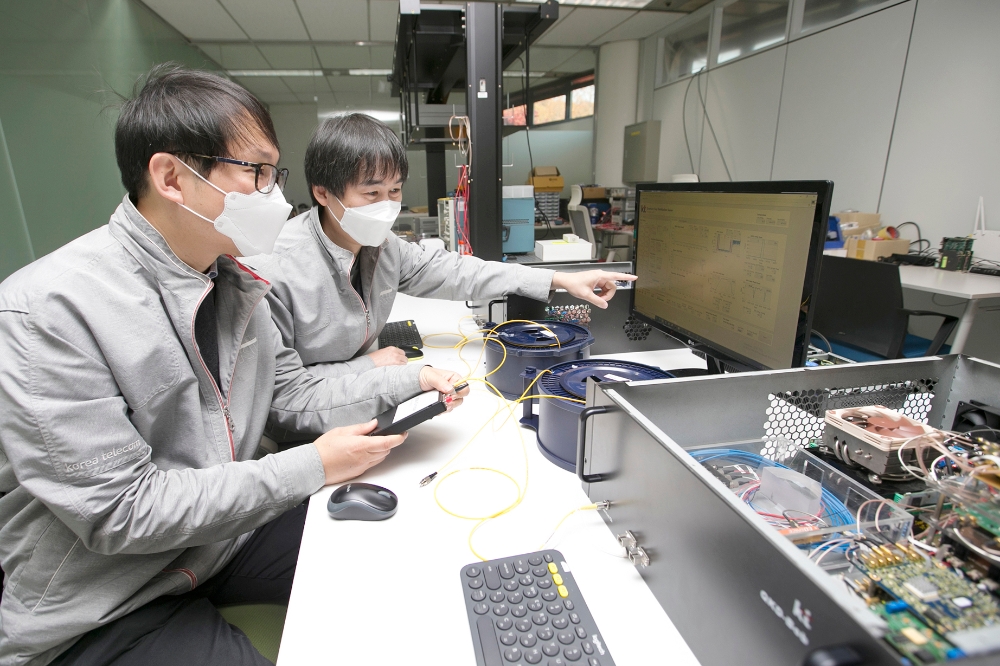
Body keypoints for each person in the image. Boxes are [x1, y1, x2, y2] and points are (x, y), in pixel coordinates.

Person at [0, 65, 464, 666]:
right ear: (171, 176)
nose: (274, 194)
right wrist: (312, 466)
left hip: (220, 542)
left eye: (276, 173)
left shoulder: (234, 282)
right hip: (109, 598)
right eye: (257, 172)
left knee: (387, 568)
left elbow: (288, 395)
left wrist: (410, 382)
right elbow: (122, 512)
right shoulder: (48, 310)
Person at [251, 114, 635, 438]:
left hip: (365, 408)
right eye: (371, 194)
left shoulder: (383, 247)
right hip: (313, 433)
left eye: (395, 191)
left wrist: (558, 280)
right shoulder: (274, 270)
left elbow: (458, 271)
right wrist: (372, 367)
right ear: (322, 193)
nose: (387, 207)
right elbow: (283, 397)